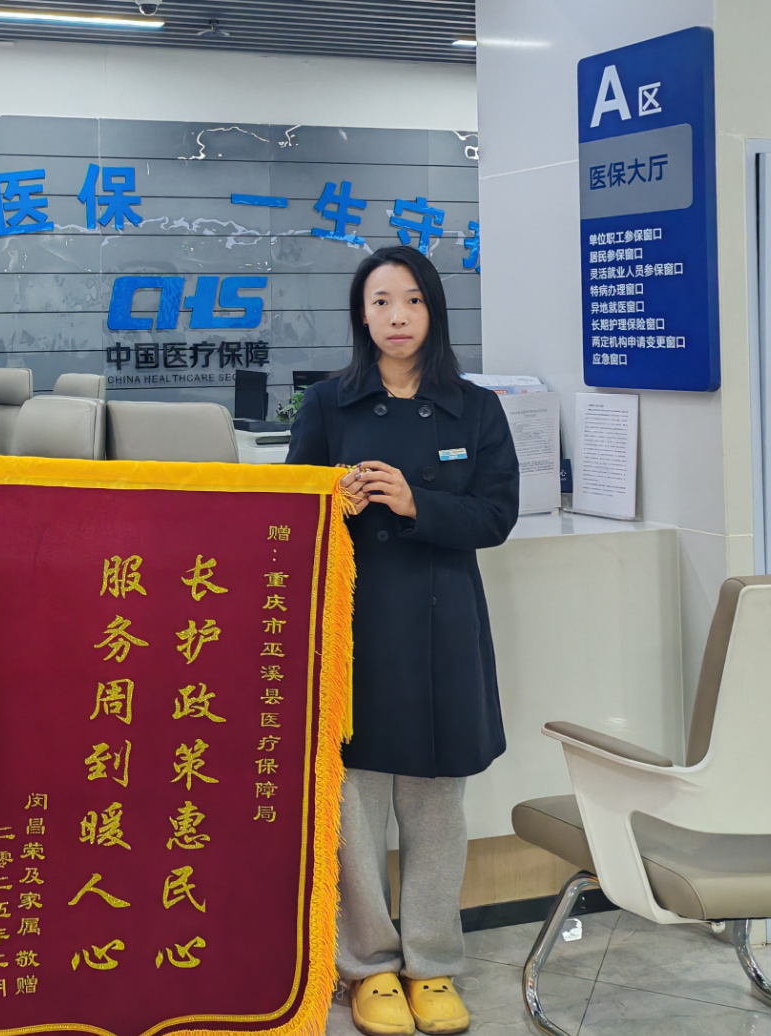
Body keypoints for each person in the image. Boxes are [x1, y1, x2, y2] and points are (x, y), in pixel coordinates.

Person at [286, 245, 519, 1036]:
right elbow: (291, 512)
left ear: (433, 311)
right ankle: (367, 967)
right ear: (362, 314)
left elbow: (496, 516)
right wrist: (335, 501)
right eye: (381, 301)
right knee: (353, 806)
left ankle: (432, 963)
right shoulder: (328, 404)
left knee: (435, 804)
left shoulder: (475, 408)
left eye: (412, 300)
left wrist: (417, 502)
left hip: (442, 625)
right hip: (352, 624)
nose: (397, 316)